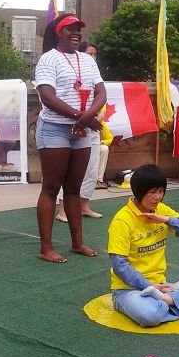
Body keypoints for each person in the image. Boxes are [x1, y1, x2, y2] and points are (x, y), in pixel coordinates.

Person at [108, 164, 179, 327]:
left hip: (162, 287)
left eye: (161, 191)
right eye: (152, 192)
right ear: (139, 191)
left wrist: (166, 219)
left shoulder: (160, 210)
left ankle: (166, 301)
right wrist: (148, 286)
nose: (157, 197)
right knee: (151, 315)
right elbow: (120, 266)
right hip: (128, 291)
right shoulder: (122, 220)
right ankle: (170, 301)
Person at [35, 14, 106, 263]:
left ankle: (77, 243)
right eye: (70, 29)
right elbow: (47, 96)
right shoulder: (48, 59)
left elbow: (101, 91)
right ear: (58, 32)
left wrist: (86, 117)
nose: (76, 33)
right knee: (51, 188)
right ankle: (46, 248)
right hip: (55, 129)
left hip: (81, 131)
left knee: (74, 189)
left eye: (78, 29)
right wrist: (82, 116)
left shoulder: (87, 60)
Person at [56, 41, 106, 222]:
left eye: (95, 54)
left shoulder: (95, 76)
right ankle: (62, 210)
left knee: (91, 170)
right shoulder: (71, 75)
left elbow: (102, 102)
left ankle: (84, 205)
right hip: (74, 126)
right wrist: (83, 119)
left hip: (93, 129)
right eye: (89, 54)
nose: (93, 58)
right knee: (70, 171)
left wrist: (95, 118)